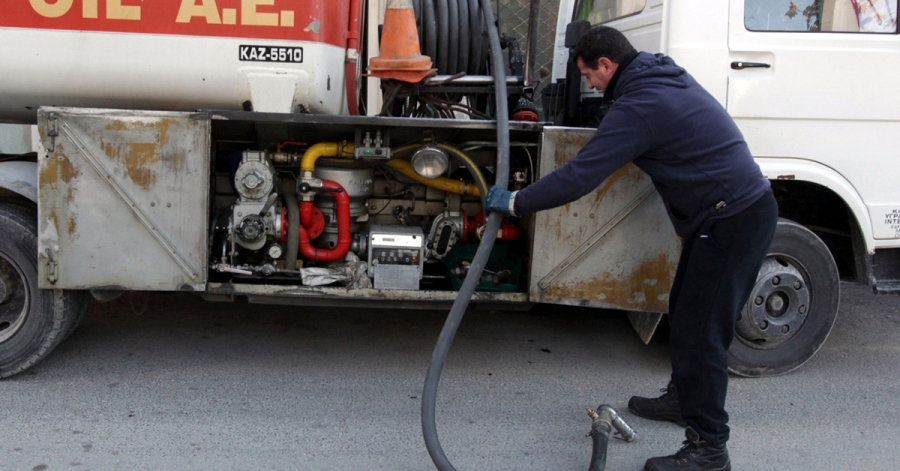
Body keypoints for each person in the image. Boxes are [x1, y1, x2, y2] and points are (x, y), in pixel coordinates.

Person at [486, 26, 778, 471]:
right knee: (683, 316)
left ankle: (709, 448)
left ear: (607, 65)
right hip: (728, 215)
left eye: (590, 75)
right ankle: (684, 399)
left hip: (732, 221)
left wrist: (516, 201)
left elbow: (582, 175)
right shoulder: (658, 76)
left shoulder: (642, 104)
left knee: (703, 336)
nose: (590, 85)